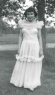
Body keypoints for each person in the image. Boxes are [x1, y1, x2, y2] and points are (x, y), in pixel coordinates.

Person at [10, 7, 44, 91]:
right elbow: (20, 36)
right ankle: (21, 81)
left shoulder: (38, 24)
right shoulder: (22, 24)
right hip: (24, 46)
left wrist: (41, 49)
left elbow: (39, 37)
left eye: (31, 14)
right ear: (26, 15)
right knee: (23, 63)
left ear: (34, 15)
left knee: (32, 63)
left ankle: (31, 83)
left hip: (34, 46)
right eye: (28, 14)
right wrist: (18, 48)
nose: (29, 15)